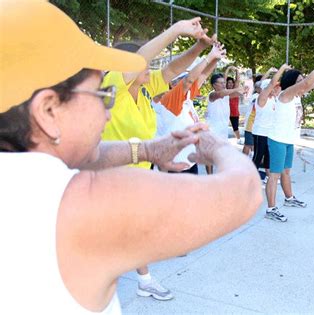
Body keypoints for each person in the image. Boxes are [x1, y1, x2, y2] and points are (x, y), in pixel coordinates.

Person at [0, 1, 262, 313]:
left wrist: (148, 149)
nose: (107, 115)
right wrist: (215, 145)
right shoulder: (80, 202)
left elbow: (174, 71)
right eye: (100, 95)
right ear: (47, 110)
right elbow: (244, 192)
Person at [101, 16, 217, 301]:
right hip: (112, 178)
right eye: (144, 64)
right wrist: (176, 30)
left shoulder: (141, 90)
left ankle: (141, 279)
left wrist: (199, 48)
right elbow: (143, 59)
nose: (150, 68)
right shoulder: (113, 85)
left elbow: (172, 70)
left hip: (138, 175)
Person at [265, 55, 314, 222]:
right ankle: (271, 209)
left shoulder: (296, 95)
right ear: (291, 82)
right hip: (277, 140)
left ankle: (289, 199)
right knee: (274, 175)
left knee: (286, 172)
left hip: (288, 140)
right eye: (300, 79)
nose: (304, 82)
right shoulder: (286, 94)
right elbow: (307, 82)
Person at [153, 41, 226, 174]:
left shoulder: (185, 99)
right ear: (172, 84)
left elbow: (202, 75)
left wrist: (216, 58)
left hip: (188, 164)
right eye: (180, 79)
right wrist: (209, 57)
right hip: (174, 166)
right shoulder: (169, 100)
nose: (184, 82)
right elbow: (189, 80)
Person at [205, 73, 244, 174]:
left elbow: (237, 93)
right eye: (221, 83)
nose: (224, 84)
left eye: (224, 82)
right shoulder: (212, 95)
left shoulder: (226, 95)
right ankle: (210, 177)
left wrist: (242, 90)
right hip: (212, 131)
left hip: (222, 131)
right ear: (214, 85)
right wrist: (237, 89)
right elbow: (221, 94)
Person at [225, 66, 243, 143]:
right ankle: (223, 139)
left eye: (232, 82)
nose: (231, 84)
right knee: (223, 126)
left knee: (235, 127)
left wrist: (237, 70)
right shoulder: (224, 90)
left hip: (234, 112)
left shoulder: (234, 89)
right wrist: (228, 69)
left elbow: (238, 80)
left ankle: (238, 139)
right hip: (225, 112)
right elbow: (224, 78)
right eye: (229, 82)